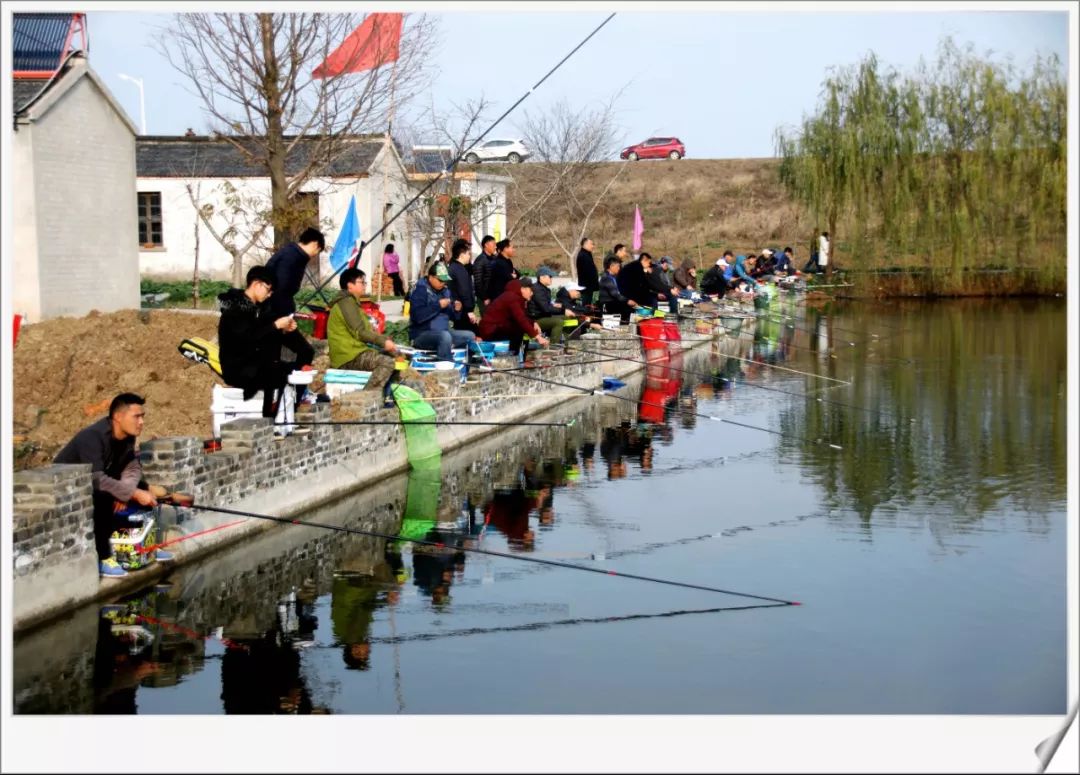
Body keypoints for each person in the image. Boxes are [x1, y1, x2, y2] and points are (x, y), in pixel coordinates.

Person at [54, 393, 173, 578]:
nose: (141, 422)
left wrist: (127, 490)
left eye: (143, 417)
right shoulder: (92, 437)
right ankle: (103, 557)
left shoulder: (127, 437)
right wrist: (130, 493)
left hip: (100, 481)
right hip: (70, 492)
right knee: (105, 496)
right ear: (118, 417)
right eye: (137, 416)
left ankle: (141, 546)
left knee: (141, 488)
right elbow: (96, 479)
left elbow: (132, 466)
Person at [218, 265, 311, 420]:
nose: (269, 295)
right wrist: (276, 326)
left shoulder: (258, 308)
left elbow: (263, 332)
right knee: (280, 373)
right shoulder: (235, 309)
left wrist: (284, 329)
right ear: (256, 284)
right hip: (239, 367)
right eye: (268, 290)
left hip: (256, 364)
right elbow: (247, 339)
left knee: (297, 368)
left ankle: (285, 415)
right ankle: (271, 418)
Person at [327, 268, 399, 397]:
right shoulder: (346, 303)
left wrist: (386, 339)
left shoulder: (352, 303)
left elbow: (367, 330)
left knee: (395, 356)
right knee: (387, 362)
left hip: (356, 350)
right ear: (350, 285)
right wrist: (383, 341)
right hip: (348, 355)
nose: (365, 285)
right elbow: (360, 332)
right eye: (362, 282)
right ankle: (367, 397)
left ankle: (387, 397)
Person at [264, 227, 325, 366]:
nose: (314, 256)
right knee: (302, 352)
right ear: (315, 244)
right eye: (317, 251)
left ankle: (292, 386)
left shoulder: (293, 254)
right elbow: (280, 290)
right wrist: (284, 320)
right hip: (274, 317)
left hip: (280, 315)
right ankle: (291, 386)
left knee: (303, 352)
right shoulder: (291, 257)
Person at [408, 261, 476, 361]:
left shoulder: (445, 291)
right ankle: (445, 367)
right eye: (440, 280)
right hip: (421, 334)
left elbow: (452, 316)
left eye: (445, 280)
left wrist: (457, 310)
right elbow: (417, 316)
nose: (443, 283)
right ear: (431, 277)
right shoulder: (420, 290)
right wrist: (438, 305)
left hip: (444, 331)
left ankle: (462, 363)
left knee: (470, 336)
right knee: (445, 337)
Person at [478, 277, 548, 357]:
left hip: (498, 327)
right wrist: (537, 337)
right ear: (523, 289)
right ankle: (512, 357)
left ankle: (515, 356)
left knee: (518, 328)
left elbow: (521, 316)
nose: (532, 294)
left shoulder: (514, 296)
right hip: (491, 330)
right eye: (531, 291)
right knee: (518, 329)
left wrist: (533, 323)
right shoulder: (513, 298)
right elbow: (521, 319)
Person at [527, 266, 574, 347]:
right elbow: (546, 309)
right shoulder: (537, 289)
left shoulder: (543, 289)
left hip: (544, 316)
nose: (551, 279)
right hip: (536, 319)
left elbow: (546, 305)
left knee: (568, 318)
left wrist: (554, 305)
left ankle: (566, 344)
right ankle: (553, 347)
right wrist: (563, 310)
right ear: (542, 277)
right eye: (550, 277)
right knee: (558, 321)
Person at [447, 237, 479, 334]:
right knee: (472, 337)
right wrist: (469, 310)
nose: (470, 256)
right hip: (463, 311)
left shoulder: (454, 267)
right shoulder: (459, 270)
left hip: (458, 310)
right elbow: (464, 291)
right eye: (468, 254)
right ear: (461, 255)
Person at [597, 255, 638, 323]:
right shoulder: (606, 278)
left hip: (613, 302)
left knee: (630, 307)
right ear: (611, 266)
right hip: (607, 305)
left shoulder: (614, 277)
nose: (619, 268)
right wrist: (628, 301)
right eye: (618, 266)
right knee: (628, 308)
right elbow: (615, 294)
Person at [486, 238, 518, 302]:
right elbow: (508, 277)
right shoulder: (498, 263)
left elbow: (517, 273)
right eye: (512, 248)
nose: (514, 250)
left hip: (507, 296)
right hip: (499, 298)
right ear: (505, 249)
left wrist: (514, 275)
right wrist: (512, 276)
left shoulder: (508, 261)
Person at [471, 235, 497, 313]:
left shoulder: (495, 259)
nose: (495, 247)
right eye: (493, 244)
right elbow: (478, 282)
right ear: (486, 245)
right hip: (485, 299)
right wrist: (484, 298)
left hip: (494, 296)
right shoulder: (480, 261)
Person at [575, 237, 599, 307]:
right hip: (586, 286)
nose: (593, 246)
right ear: (585, 244)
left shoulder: (586, 254)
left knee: (587, 304)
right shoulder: (583, 255)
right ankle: (585, 317)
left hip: (588, 286)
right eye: (591, 244)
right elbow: (588, 272)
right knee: (586, 305)